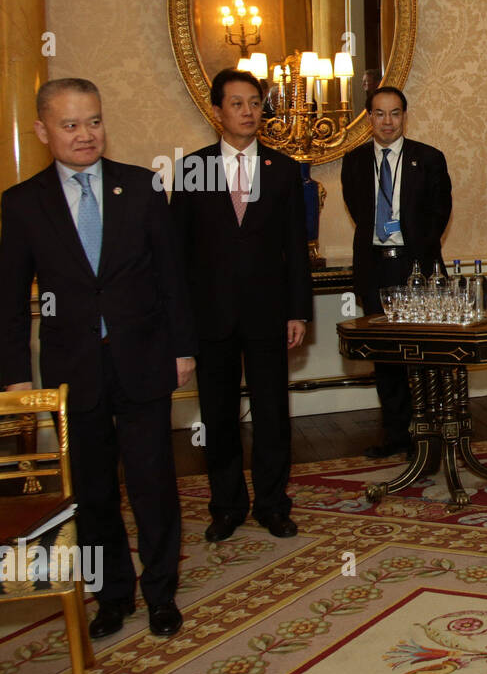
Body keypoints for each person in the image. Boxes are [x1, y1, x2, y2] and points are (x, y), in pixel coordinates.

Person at [0, 78, 195, 638]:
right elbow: (10, 298)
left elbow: (171, 278)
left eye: (94, 121)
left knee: (153, 482)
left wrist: (183, 349)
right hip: (72, 370)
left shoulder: (140, 188)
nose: (86, 135)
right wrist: (15, 375)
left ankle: (161, 592)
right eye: (70, 125)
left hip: (143, 359)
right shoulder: (22, 203)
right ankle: (113, 595)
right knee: (92, 490)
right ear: (42, 130)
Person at [170, 68, 312, 543]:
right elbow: (178, 254)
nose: (249, 111)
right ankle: (227, 505)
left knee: (273, 413)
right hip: (210, 316)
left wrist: (298, 311)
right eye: (237, 103)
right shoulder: (192, 169)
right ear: (217, 112)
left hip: (268, 313)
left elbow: (296, 246)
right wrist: (181, 324)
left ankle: (273, 504)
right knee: (218, 415)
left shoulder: (284, 169)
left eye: (254, 102)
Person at [340, 85, 453, 458]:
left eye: (395, 113)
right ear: (369, 118)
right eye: (379, 113)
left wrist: (413, 247)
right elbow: (360, 212)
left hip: (417, 267)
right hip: (376, 268)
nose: (387, 121)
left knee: (425, 355)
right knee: (386, 357)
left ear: (405, 116)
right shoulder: (354, 161)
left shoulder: (430, 158)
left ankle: (431, 434)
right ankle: (396, 437)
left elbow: (439, 214)